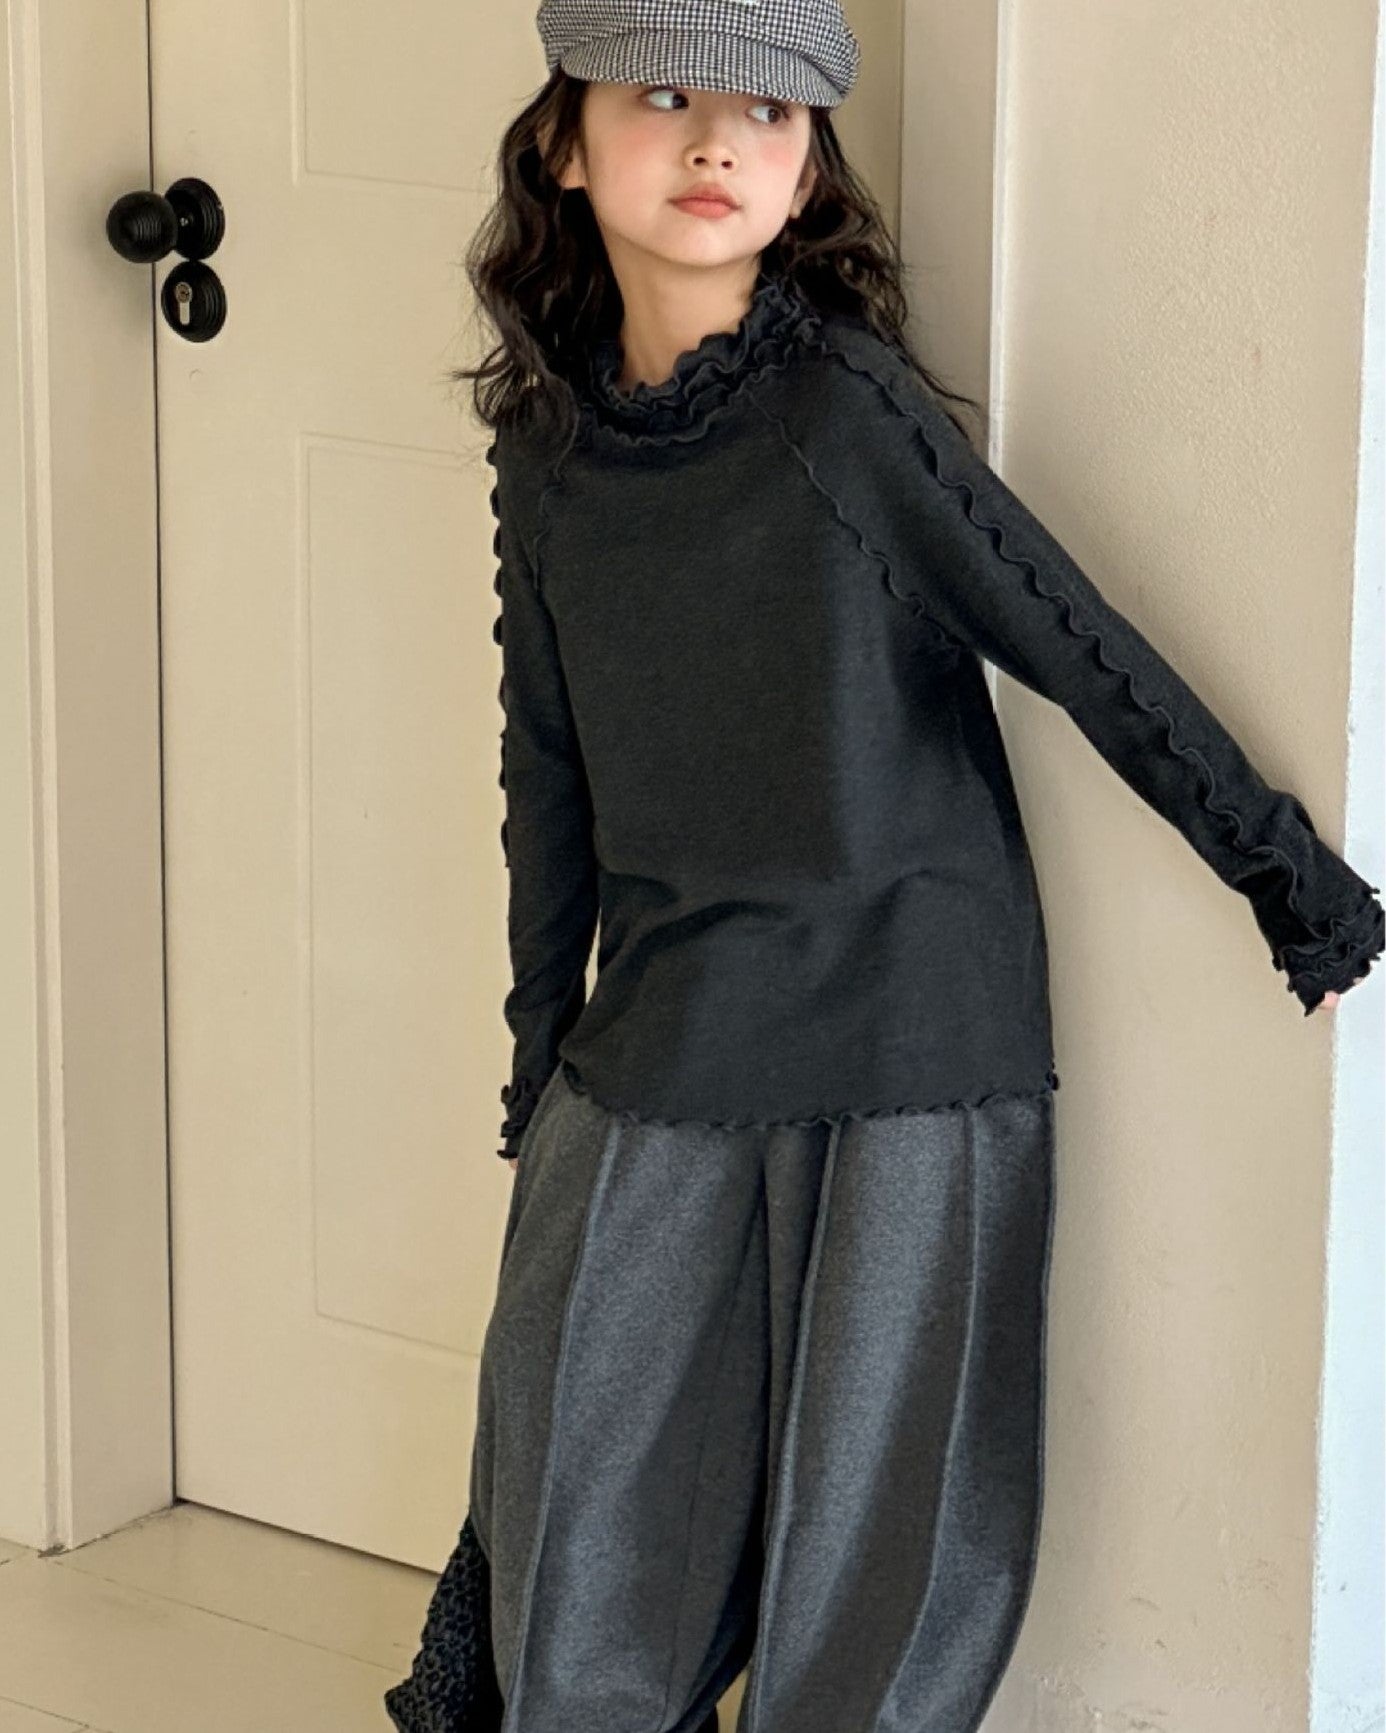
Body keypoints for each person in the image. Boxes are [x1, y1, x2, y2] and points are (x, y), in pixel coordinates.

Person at [385, 2, 1384, 1729]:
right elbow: (544, 763)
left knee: (876, 1538)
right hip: (674, 1015)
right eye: (665, 93)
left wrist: (1282, 874)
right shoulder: (546, 455)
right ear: (563, 143)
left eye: (771, 115)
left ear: (808, 170)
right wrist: (541, 1047)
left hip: (912, 1027)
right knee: (577, 1465)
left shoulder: (836, 409)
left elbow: (1065, 633)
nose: (720, 141)